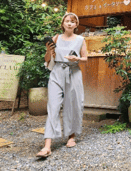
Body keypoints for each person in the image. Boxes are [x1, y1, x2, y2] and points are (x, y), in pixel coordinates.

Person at [36, 12, 88, 158]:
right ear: (63, 23)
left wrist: (76, 58)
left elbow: (85, 59)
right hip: (57, 72)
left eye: (73, 21)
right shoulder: (56, 38)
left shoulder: (80, 39)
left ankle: (71, 136)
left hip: (73, 72)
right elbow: (47, 60)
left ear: (76, 25)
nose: (70, 23)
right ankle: (47, 146)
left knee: (73, 104)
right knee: (53, 106)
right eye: (67, 21)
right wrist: (48, 50)